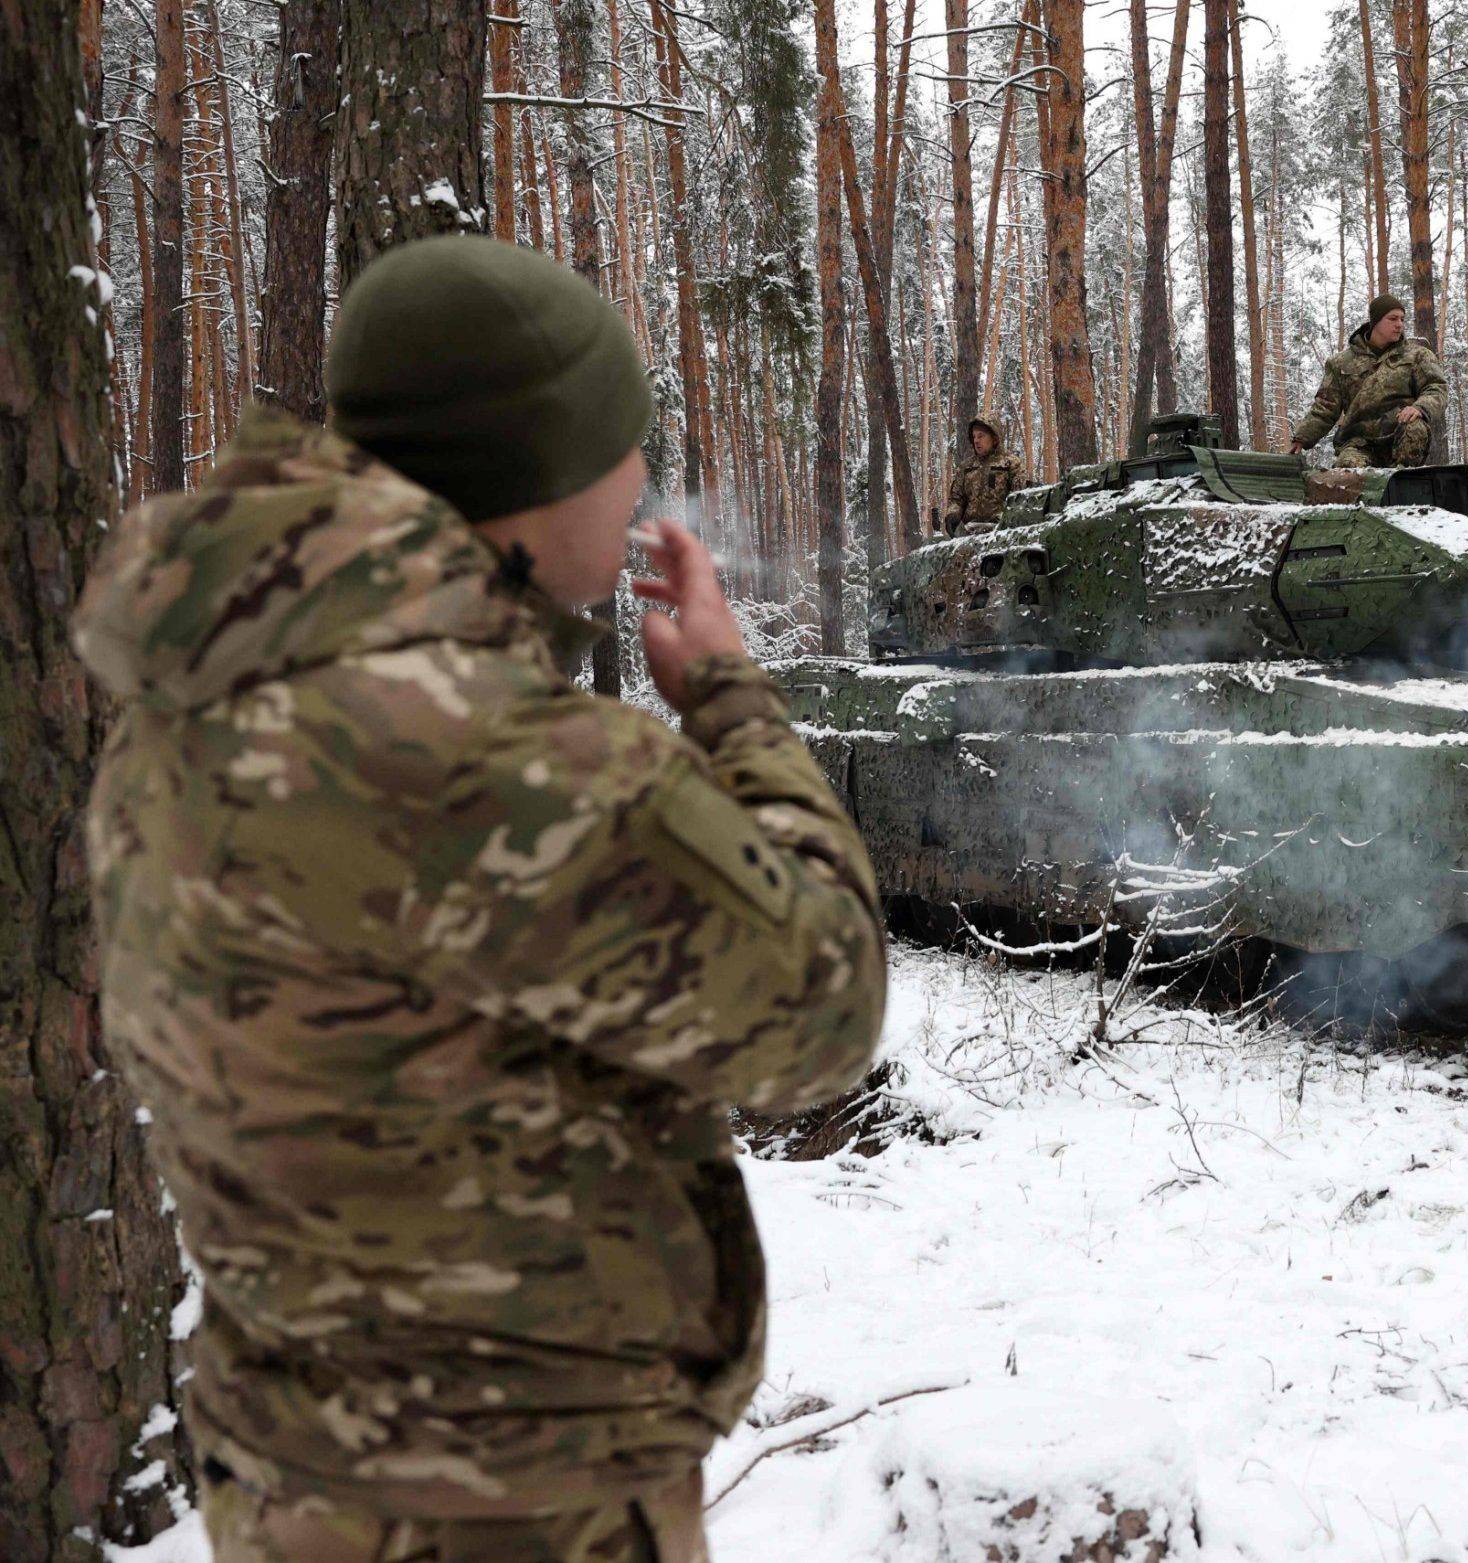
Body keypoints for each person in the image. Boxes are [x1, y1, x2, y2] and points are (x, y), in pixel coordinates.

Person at [72, 235, 887, 1562]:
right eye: (618, 446)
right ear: (524, 477)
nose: (638, 484)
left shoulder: (204, 694)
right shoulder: (480, 754)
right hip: (507, 1500)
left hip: (298, 1468)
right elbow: (824, 1003)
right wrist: (733, 702)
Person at [1288, 293, 1449, 469]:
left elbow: (1436, 388)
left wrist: (1420, 408)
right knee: (1348, 469)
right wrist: (1301, 438)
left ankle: (1405, 483)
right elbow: (1325, 407)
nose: (1399, 325)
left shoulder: (1417, 356)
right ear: (1375, 321)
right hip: (1359, 443)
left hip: (1401, 438)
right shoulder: (1341, 363)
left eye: (1402, 319)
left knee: (1415, 428)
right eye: (1393, 319)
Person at [943, 414, 1029, 534]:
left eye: (981, 436)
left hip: (1000, 531)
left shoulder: (1011, 464)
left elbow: (1019, 498)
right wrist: (952, 515)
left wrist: (1010, 523)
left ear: (994, 438)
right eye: (974, 437)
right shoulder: (966, 467)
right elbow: (956, 499)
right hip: (969, 532)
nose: (976, 440)